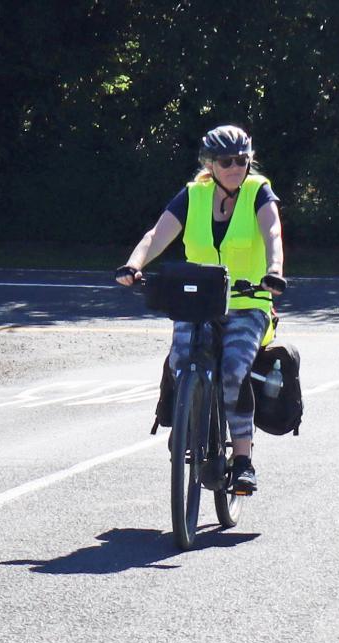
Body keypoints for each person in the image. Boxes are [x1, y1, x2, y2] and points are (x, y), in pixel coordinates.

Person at [115, 125, 285, 494]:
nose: (236, 167)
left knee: (233, 370)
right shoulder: (193, 195)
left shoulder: (258, 191)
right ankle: (185, 421)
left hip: (248, 301)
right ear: (210, 164)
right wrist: (134, 264)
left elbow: (272, 232)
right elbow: (157, 234)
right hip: (198, 301)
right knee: (180, 359)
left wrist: (274, 272)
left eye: (243, 160)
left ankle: (242, 459)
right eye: (227, 161)